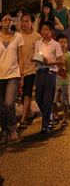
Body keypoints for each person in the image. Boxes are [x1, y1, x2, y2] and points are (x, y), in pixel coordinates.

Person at [34, 21, 64, 134]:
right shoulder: (38, 43)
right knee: (38, 99)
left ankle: (45, 125)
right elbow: (37, 56)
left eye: (46, 30)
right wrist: (36, 59)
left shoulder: (55, 45)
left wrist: (49, 63)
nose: (44, 32)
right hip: (40, 72)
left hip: (51, 72)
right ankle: (49, 115)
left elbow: (60, 60)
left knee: (47, 99)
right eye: (42, 29)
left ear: (51, 31)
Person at [0, 12, 25, 144]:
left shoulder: (18, 37)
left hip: (13, 74)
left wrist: (22, 75)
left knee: (9, 103)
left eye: (10, 20)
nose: (8, 22)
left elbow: (21, 58)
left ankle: (12, 128)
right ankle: (4, 132)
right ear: (0, 23)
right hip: (0, 75)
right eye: (5, 20)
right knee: (2, 107)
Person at [17, 12, 42, 129]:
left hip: (31, 70)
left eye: (27, 21)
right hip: (16, 70)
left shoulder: (37, 37)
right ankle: (31, 114)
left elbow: (41, 53)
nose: (24, 24)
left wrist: (36, 58)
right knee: (21, 99)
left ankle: (23, 119)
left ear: (32, 23)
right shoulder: (16, 36)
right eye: (22, 21)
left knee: (27, 94)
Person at [53, 34, 70, 128]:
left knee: (65, 101)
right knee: (53, 100)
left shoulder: (69, 55)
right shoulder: (54, 54)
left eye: (65, 42)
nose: (63, 44)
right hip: (55, 81)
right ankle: (55, 115)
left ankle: (65, 118)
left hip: (66, 81)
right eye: (61, 42)